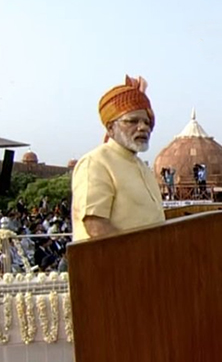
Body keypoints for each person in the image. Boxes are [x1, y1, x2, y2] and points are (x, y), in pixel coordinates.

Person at [71, 75, 165, 241]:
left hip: (150, 263)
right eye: (132, 121)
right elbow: (96, 225)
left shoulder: (141, 167)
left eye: (146, 122)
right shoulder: (96, 163)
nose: (143, 127)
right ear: (110, 128)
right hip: (115, 264)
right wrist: (137, 257)